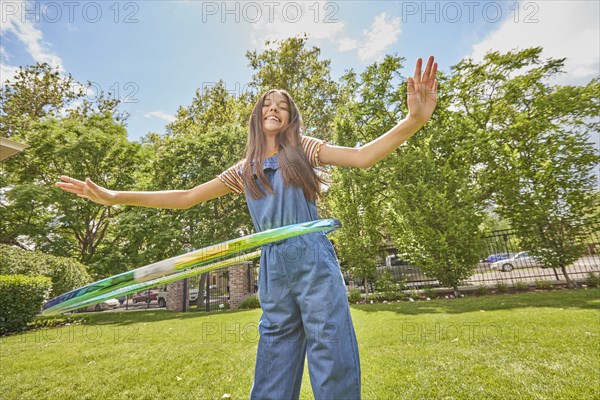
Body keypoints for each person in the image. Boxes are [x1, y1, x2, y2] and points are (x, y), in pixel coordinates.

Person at [57, 56, 438, 399]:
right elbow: (186, 196)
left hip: (310, 253)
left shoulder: (302, 148)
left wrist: (413, 119)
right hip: (273, 262)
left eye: (282, 106)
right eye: (267, 105)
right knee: (274, 347)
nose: (274, 109)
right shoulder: (244, 170)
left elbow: (362, 157)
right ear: (257, 117)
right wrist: (114, 196)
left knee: (329, 341)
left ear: (290, 118)